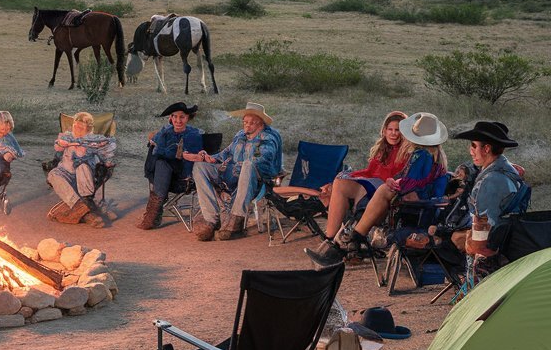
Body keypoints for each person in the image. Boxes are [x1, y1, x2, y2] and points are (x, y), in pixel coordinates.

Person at [306, 111, 449, 267]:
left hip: (419, 205)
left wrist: (394, 183)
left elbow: (411, 183)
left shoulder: (421, 155)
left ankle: (352, 239)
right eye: (390, 129)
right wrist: (393, 181)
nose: (396, 134)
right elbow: (409, 179)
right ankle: (342, 240)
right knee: (371, 187)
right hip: (426, 204)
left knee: (383, 190)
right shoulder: (433, 155)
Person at [306, 110, 414, 253]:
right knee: (339, 182)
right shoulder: (383, 149)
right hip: (373, 184)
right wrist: (347, 176)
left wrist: (361, 178)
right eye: (390, 129)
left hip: (385, 191)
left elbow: (391, 176)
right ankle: (330, 239)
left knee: (357, 185)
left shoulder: (406, 151)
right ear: (384, 130)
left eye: (398, 130)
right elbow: (369, 171)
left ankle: (345, 241)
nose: (394, 134)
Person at [187, 102, 282, 241]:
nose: (246, 125)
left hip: (258, 180)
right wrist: (209, 158)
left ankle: (236, 221)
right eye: (245, 122)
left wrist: (239, 166)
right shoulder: (240, 135)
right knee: (200, 166)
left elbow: (265, 158)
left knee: (248, 165)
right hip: (233, 176)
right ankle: (211, 218)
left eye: (251, 123)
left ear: (260, 123)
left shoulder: (268, 137)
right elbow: (226, 153)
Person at [447, 121, 527, 259]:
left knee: (452, 237)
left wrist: (466, 242)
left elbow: (481, 243)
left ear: (486, 149)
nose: (470, 151)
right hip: (508, 243)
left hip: (492, 254)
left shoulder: (491, 181)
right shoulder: (508, 170)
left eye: (474, 146)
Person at [137, 102, 204, 230]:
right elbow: (157, 150)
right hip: (164, 173)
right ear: (171, 118)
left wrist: (168, 150)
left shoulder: (194, 134)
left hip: (184, 176)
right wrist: (173, 151)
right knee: (159, 160)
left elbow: (190, 156)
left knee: (161, 161)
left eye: (182, 117)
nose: (178, 120)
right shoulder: (165, 131)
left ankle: (152, 216)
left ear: (188, 118)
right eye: (175, 117)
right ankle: (154, 214)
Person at [47, 111, 117, 227]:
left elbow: (109, 149)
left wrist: (107, 161)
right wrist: (62, 143)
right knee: (53, 174)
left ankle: (87, 205)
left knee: (82, 167)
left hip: (85, 176)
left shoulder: (93, 139)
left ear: (88, 128)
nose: (77, 128)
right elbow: (58, 147)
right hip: (66, 173)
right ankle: (79, 206)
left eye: (81, 127)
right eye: (76, 125)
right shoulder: (68, 136)